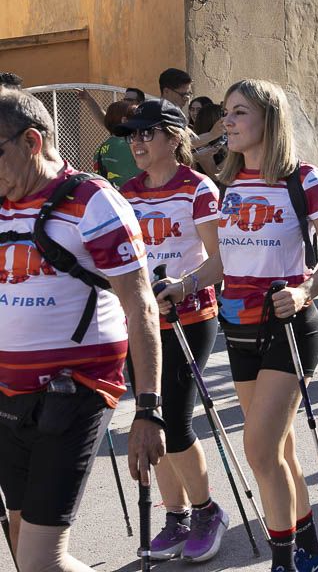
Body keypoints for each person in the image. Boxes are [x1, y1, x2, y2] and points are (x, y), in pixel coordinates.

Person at [0, 89, 165, 572]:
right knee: (21, 539)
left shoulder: (93, 202)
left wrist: (148, 410)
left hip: (73, 393)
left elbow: (140, 306)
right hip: (8, 395)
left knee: (38, 561)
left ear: (32, 141)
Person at [216, 79, 318, 572]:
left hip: (288, 327)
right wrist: (185, 284)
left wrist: (305, 290)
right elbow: (223, 262)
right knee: (280, 450)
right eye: (227, 113)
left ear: (269, 120)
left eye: (239, 113)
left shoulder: (303, 179)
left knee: (259, 450)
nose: (227, 122)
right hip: (238, 327)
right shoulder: (227, 184)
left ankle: (285, 561)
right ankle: (311, 549)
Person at [117, 99, 229, 562]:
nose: (137, 143)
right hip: (139, 323)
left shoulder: (197, 189)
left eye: (147, 134)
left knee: (177, 421)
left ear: (175, 138)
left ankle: (207, 511)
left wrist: (183, 287)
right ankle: (176, 515)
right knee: (152, 419)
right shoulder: (126, 191)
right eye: (133, 135)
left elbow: (222, 261)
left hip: (190, 318)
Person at [94, 99, 142, 187]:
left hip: (111, 198)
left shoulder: (99, 151)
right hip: (134, 198)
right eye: (136, 118)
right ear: (125, 121)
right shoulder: (134, 146)